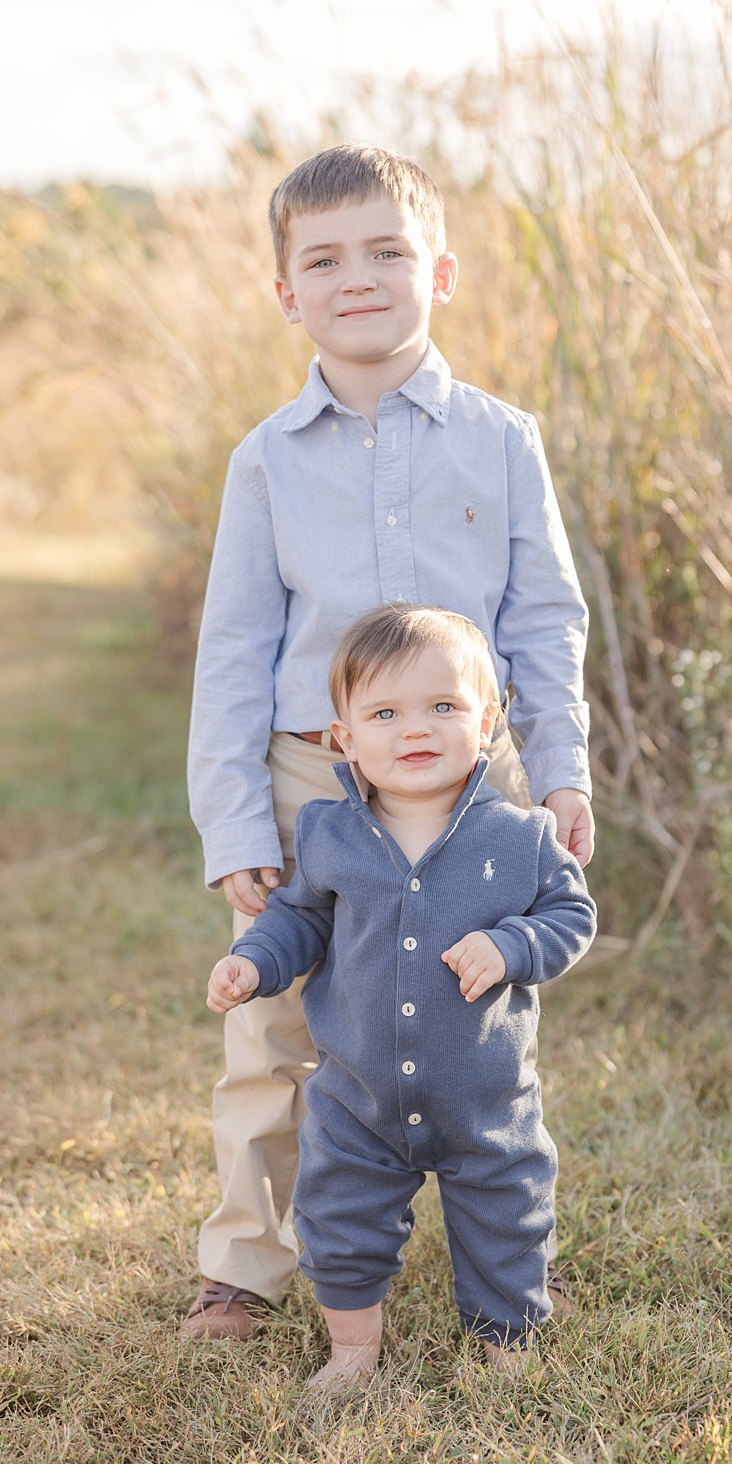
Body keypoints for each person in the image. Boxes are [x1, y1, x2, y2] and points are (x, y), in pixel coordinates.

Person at [183, 144, 596, 1339]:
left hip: (477, 773)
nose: (356, 277)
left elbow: (543, 617)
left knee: (484, 1014)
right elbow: (234, 650)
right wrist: (235, 822)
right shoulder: (265, 460)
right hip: (316, 772)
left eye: (386, 251)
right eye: (323, 258)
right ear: (286, 294)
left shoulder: (501, 437)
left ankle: (505, 1248)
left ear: (441, 271)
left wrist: (557, 770)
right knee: (275, 1024)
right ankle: (249, 1262)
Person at [206, 604, 597, 1388]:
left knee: (505, 1221)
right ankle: (353, 1352)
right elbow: (298, 922)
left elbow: (571, 915)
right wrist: (255, 962)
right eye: (384, 713)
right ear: (343, 739)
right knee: (340, 1221)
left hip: (482, 1098)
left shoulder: (519, 837)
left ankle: (504, 1352)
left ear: (486, 721)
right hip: (357, 1097)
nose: (414, 730)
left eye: (442, 707)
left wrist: (510, 944)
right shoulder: (327, 835)